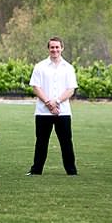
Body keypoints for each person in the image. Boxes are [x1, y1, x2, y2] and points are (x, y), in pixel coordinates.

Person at [26, 37, 79, 176]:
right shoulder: (40, 66)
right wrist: (48, 103)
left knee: (66, 142)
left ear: (62, 48)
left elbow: (70, 90)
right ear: (48, 49)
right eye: (52, 47)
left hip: (63, 112)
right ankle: (36, 170)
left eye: (57, 47)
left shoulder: (68, 68)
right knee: (41, 142)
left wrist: (57, 102)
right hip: (43, 112)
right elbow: (36, 87)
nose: (54, 50)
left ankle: (71, 171)